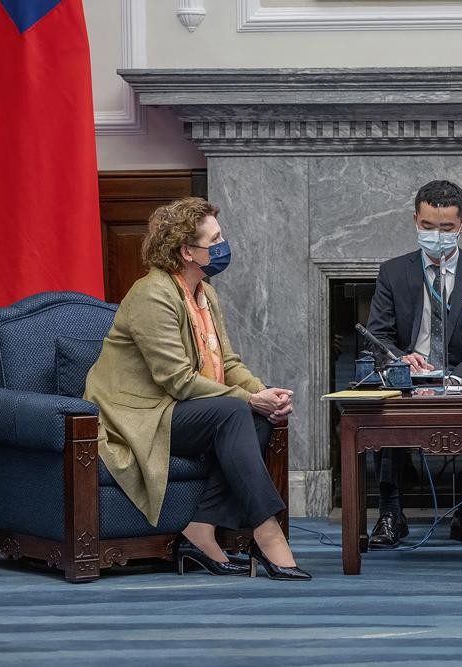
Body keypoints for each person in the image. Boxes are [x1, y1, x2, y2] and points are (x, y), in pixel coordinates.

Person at [83, 197, 310, 581]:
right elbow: (177, 380)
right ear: (187, 251)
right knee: (238, 410)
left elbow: (229, 363)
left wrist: (263, 394)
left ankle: (200, 529)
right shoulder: (151, 294)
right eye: (215, 239)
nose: (223, 246)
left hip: (180, 407)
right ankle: (266, 528)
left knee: (256, 416)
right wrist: (248, 399)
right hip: (141, 413)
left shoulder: (204, 291)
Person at [364, 180, 462, 548]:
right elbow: (378, 337)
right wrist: (401, 360)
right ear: (415, 220)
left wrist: (455, 379)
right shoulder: (393, 273)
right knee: (383, 404)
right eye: (427, 227)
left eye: (445, 228)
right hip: (407, 378)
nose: (436, 236)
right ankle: (391, 513)